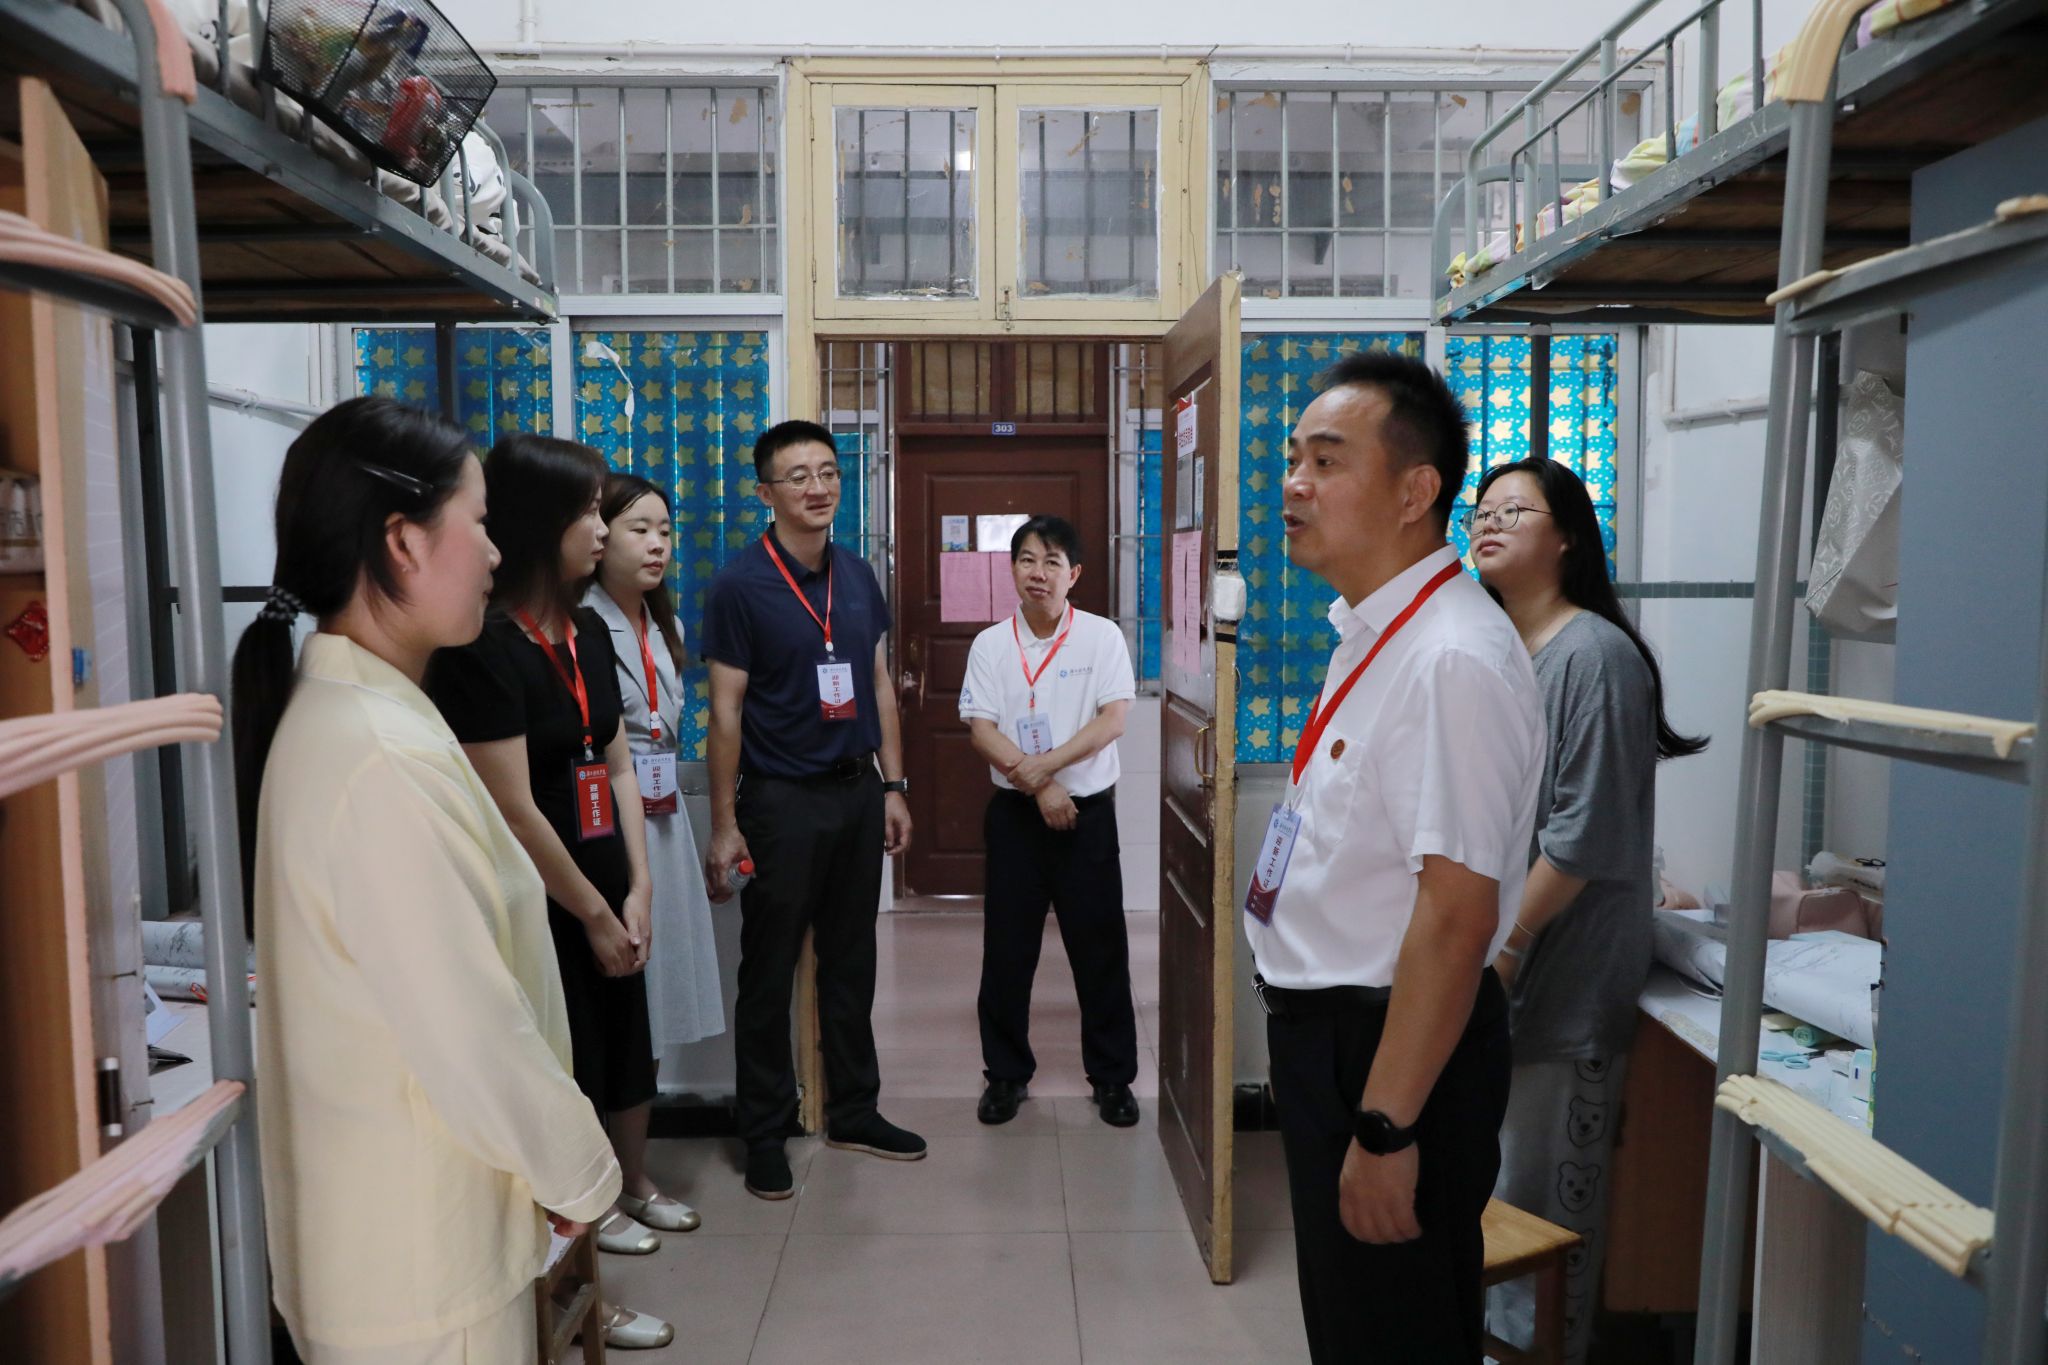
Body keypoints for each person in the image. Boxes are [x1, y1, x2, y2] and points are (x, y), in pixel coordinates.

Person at [234, 397, 619, 1363]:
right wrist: (581, 1178)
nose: (494, 552)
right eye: (478, 522)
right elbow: (470, 1026)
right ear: (403, 541)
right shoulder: (378, 754)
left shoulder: (369, 713)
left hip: (406, 1239)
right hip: (420, 1266)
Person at [1246, 353, 1544, 1363]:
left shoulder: (1450, 657)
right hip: (1337, 1041)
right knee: (1356, 1327)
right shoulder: (1373, 631)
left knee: (1392, 1331)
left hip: (1390, 1055)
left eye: (1326, 461)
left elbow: (1456, 918)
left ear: (1415, 492)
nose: (1294, 482)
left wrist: (1384, 1128)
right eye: (1293, 458)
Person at [426, 434, 675, 1350]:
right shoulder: (484, 645)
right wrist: (596, 913)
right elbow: (515, 807)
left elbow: (615, 753)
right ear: (541, 524)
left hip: (606, 873)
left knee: (623, 1043)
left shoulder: (588, 630)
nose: (601, 530)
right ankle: (578, 1254)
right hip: (542, 897)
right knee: (560, 1071)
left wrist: (639, 884)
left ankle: (620, 1198)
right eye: (588, 513)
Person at [1471, 457, 1707, 1362]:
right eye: (1481, 510)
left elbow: (1579, 836)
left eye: (1514, 510)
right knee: (1495, 1195)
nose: (1489, 523)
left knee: (1544, 1207)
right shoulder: (1501, 651)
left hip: (1559, 978)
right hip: (1497, 966)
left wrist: (1508, 949)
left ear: (1567, 536)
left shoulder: (1594, 656)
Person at [700, 419, 923, 1201]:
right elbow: (724, 713)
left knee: (852, 958)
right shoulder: (739, 585)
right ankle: (765, 1131)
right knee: (768, 970)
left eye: (827, 471)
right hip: (780, 799)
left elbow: (879, 684)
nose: (818, 487)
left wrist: (893, 785)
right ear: (765, 492)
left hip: (856, 792)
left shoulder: (857, 574)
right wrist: (724, 824)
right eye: (797, 476)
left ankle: (854, 1109)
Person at [959, 515, 1142, 1128]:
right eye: (1027, 560)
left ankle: (1112, 1078)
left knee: (1100, 949)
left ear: (1074, 573)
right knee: (1007, 952)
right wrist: (1039, 785)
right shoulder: (991, 644)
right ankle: (1005, 1075)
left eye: (1052, 561)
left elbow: (1113, 720)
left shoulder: (1101, 637)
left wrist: (1047, 768)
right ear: (1012, 569)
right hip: (1016, 817)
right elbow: (981, 729)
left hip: (1087, 816)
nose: (1038, 573)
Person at [585, 473, 727, 1076]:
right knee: (620, 979)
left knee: (660, 982)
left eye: (665, 532)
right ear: (600, 537)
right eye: (639, 529)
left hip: (662, 810)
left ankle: (643, 1114)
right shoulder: (581, 622)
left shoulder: (666, 625)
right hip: (608, 810)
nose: (656, 545)